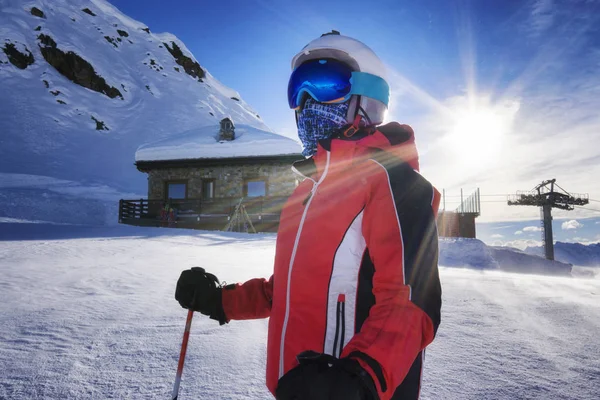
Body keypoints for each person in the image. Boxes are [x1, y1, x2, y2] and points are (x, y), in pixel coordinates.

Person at [175, 31, 442, 400]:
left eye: (326, 84)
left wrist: (359, 377)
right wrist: (218, 300)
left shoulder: (396, 183)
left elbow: (411, 304)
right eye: (298, 90)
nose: (307, 102)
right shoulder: (305, 193)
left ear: (368, 98)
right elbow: (282, 292)